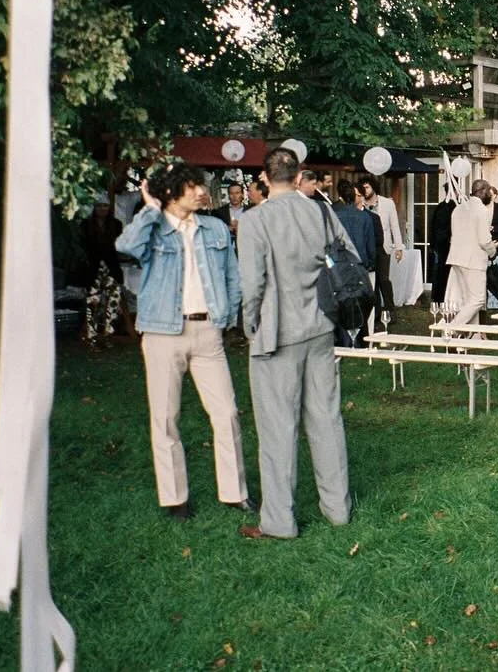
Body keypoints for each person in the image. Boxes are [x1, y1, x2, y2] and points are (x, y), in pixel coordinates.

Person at [115, 163, 249, 520]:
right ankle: (175, 499)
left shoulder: (216, 228)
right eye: (193, 186)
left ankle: (235, 494)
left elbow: (232, 278)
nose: (201, 192)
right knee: (165, 417)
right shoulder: (153, 229)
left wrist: (227, 318)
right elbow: (124, 246)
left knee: (227, 413)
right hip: (162, 333)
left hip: (208, 334)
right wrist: (151, 208)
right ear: (173, 191)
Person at [237, 147, 353, 540]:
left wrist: (249, 324)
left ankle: (279, 522)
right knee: (326, 419)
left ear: (265, 178)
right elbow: (348, 257)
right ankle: (338, 510)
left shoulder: (255, 220)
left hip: (276, 332)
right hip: (320, 326)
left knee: (277, 429)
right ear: (298, 174)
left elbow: (251, 284)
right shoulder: (319, 210)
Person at [332, 180, 382, 336]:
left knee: (342, 301)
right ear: (355, 198)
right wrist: (371, 264)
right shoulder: (365, 218)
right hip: (362, 266)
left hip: (340, 267)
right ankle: (365, 334)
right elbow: (370, 245)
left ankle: (344, 335)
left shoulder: (334, 217)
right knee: (364, 301)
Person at [447, 178, 498, 326]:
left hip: (457, 258)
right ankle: (451, 329)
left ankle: (473, 336)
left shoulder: (459, 208)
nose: (490, 194)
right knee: (478, 300)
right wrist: (492, 249)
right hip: (473, 260)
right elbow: (483, 240)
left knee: (468, 300)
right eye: (489, 191)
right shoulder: (482, 210)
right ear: (482, 191)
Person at [362, 177, 405, 325]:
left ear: (373, 187)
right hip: (367, 247)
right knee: (372, 282)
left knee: (384, 280)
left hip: (383, 246)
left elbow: (394, 226)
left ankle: (390, 310)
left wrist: (399, 247)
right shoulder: (360, 203)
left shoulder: (387, 203)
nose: (365, 191)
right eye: (363, 188)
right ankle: (375, 314)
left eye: (367, 187)